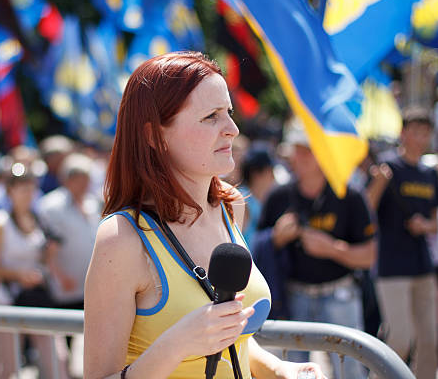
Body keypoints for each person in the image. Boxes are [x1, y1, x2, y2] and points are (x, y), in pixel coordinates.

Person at [84, 52, 325, 379]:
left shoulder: (232, 206)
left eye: (228, 112)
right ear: (154, 135)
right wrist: (178, 344)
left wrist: (281, 369)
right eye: (211, 116)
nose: (233, 129)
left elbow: (233, 341)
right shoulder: (122, 239)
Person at [254, 118, 376, 379]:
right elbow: (257, 249)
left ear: (322, 154)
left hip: (340, 295)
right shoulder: (279, 196)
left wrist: (333, 249)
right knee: (291, 373)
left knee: (350, 371)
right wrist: (276, 238)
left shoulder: (350, 196)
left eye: (305, 150)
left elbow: (369, 256)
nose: (296, 157)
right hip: (293, 297)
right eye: (295, 150)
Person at [365, 107, 438, 379]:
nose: (420, 138)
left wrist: (426, 226)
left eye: (425, 132)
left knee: (430, 340)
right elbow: (367, 210)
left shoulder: (429, 174)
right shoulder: (387, 168)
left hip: (423, 267)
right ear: (403, 133)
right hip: (391, 266)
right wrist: (378, 184)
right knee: (399, 339)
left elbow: (435, 218)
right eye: (415, 131)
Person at [0, 164, 69, 379]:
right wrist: (20, 276)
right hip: (8, 301)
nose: (28, 194)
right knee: (9, 367)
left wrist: (50, 261)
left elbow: (43, 260)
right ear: (10, 191)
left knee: (58, 359)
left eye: (31, 188)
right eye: (22, 188)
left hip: (36, 298)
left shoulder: (39, 220)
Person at [36, 152, 100, 310]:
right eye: (79, 178)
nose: (85, 183)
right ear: (67, 179)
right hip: (64, 287)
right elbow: (48, 246)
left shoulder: (93, 203)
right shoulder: (50, 206)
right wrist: (59, 277)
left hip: (90, 286)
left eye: (86, 178)